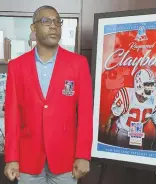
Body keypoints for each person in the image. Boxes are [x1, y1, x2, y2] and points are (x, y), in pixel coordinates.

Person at [4, 5, 93, 184]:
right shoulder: (17, 66)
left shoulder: (78, 64)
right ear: (33, 28)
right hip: (28, 159)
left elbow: (85, 114)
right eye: (46, 21)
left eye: (57, 22)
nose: (53, 26)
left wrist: (83, 155)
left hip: (66, 159)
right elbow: (12, 115)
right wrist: (11, 157)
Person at [105, 68, 156, 150]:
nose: (151, 89)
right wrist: (105, 139)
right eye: (148, 85)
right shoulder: (126, 95)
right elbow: (112, 117)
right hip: (123, 131)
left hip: (138, 132)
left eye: (152, 85)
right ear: (138, 84)